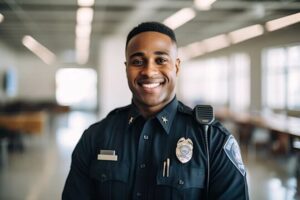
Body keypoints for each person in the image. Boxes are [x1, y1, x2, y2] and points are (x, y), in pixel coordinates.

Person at [62, 22, 249, 200]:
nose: (149, 71)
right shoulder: (95, 137)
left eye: (160, 60)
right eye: (137, 61)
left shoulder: (212, 140)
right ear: (126, 69)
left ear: (176, 67)